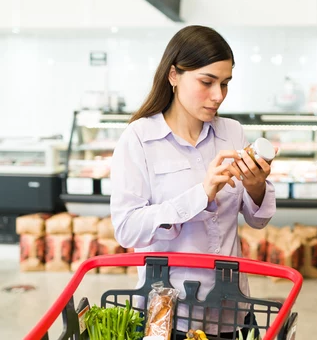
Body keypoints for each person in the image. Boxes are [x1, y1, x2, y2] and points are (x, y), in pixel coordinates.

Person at [110, 25, 276, 339]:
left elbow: (259, 219)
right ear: (173, 75)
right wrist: (200, 194)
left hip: (228, 305)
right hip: (168, 312)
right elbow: (127, 228)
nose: (219, 96)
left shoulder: (232, 133)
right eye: (207, 82)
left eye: (225, 83)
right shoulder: (139, 139)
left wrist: (256, 186)